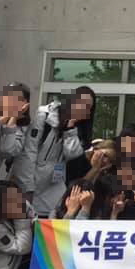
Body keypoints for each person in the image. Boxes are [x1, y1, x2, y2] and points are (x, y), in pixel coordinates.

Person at [30, 86, 96, 218]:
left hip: (53, 190)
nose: (85, 110)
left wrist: (70, 129)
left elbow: (72, 155)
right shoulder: (45, 116)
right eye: (82, 104)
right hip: (30, 184)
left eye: (89, 108)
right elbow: (29, 152)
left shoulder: (79, 130)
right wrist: (26, 185)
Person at [0, 82, 31, 184]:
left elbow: (6, 151)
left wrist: (13, 118)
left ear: (25, 103)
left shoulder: (23, 128)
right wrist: (8, 116)